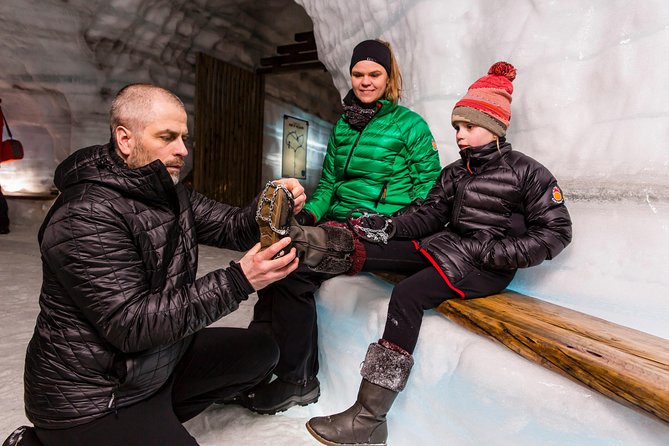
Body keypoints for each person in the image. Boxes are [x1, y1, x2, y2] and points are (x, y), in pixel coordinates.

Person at [2, 83, 307, 446]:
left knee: (259, 352)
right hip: (95, 397)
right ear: (125, 139)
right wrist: (239, 281)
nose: (182, 150)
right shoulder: (85, 214)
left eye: (183, 137)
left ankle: (153, 418)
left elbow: (231, 227)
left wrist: (269, 205)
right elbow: (131, 325)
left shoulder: (165, 189)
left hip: (152, 366)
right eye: (167, 137)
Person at [302, 61, 573, 445]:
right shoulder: (456, 172)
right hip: (452, 249)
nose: (459, 135)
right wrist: (390, 226)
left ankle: (369, 418)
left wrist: (494, 252)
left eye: (468, 127)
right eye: (456, 128)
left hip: (486, 267)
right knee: (378, 251)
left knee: (407, 294)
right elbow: (429, 215)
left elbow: (557, 232)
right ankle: (304, 243)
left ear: (494, 127)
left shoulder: (528, 174)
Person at [243, 38, 442, 414]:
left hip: (382, 232)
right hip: (338, 223)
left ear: (389, 77)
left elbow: (430, 194)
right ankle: (258, 363)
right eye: (358, 74)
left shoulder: (411, 127)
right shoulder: (344, 127)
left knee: (292, 269)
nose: (365, 81)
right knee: (274, 257)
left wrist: (393, 223)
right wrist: (309, 215)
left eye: (374, 74)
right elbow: (330, 186)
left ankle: (297, 380)